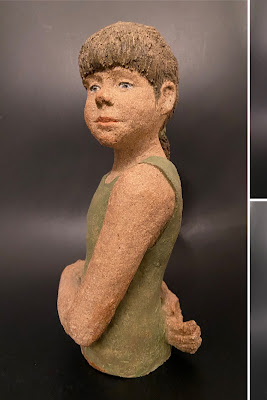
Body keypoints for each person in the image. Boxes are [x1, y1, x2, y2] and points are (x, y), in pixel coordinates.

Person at [57, 22, 201, 378]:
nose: (101, 96)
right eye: (93, 85)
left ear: (165, 97)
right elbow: (144, 267)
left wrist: (69, 275)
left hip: (119, 353)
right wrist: (163, 296)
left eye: (123, 83)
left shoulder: (141, 185)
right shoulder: (128, 175)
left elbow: (83, 327)